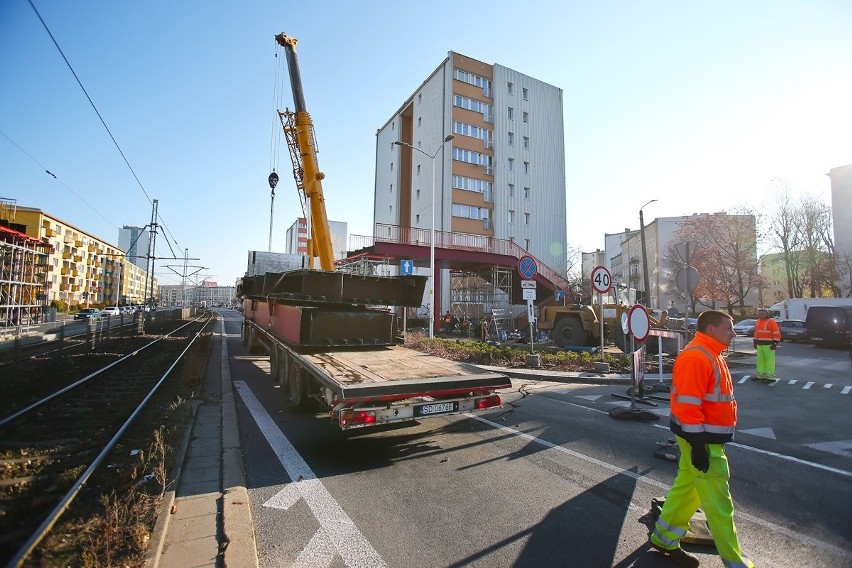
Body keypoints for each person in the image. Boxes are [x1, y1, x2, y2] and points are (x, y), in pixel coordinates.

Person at [649, 310, 754, 568]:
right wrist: (698, 446)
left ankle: (664, 539)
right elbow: (687, 407)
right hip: (702, 439)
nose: (733, 333)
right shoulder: (698, 356)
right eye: (728, 328)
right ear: (710, 329)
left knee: (689, 487)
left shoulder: (710, 353)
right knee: (719, 503)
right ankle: (735, 561)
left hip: (702, 437)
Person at [752, 309, 781, 381]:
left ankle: (770, 377)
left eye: (762, 314)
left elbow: (776, 333)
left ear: (766, 314)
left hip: (769, 345)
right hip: (760, 344)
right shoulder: (758, 321)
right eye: (759, 314)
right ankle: (760, 376)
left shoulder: (771, 322)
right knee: (760, 361)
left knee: (769, 361)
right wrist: (755, 342)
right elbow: (756, 333)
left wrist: (775, 343)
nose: (760, 315)